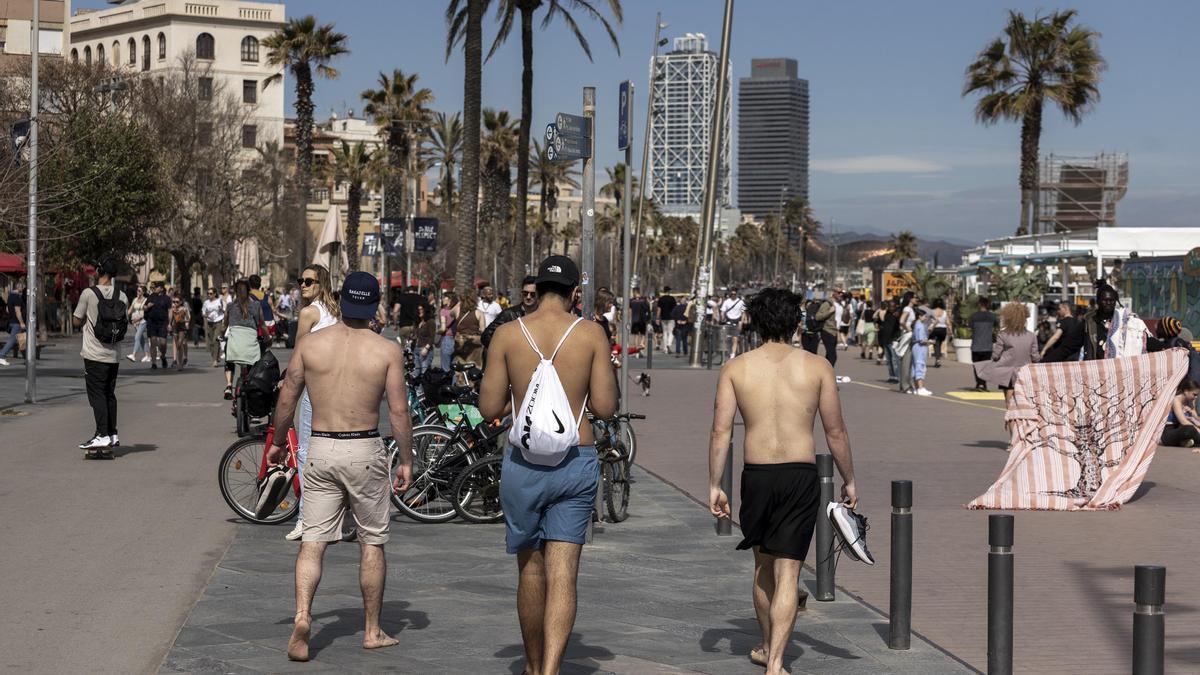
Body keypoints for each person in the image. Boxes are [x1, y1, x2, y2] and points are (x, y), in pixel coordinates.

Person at [707, 287, 857, 675]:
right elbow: (835, 431)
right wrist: (849, 478)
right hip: (799, 473)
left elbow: (721, 431)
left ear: (755, 323)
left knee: (763, 567)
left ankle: (765, 644)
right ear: (795, 323)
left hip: (756, 475)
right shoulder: (816, 367)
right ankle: (776, 662)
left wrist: (714, 484)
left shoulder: (736, 368)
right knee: (789, 571)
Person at [478, 255, 617, 675]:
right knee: (564, 574)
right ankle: (553, 669)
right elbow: (606, 408)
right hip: (577, 458)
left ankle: (533, 664)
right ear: (576, 293)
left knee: (530, 569)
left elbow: (488, 409)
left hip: (523, 466)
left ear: (534, 289)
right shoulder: (591, 334)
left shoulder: (506, 334)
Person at [266, 271, 413, 663]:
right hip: (364, 448)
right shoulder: (386, 350)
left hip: (322, 447)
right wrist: (407, 459)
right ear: (374, 305)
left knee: (312, 543)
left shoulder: (311, 346)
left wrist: (279, 443)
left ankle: (302, 616)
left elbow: (286, 399)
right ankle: (372, 630)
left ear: (342, 301)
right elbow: (399, 410)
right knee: (372, 542)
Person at [284, 264, 343, 541]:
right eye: (301, 281)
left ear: (322, 284)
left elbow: (300, 355)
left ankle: (306, 519)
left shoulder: (308, 313)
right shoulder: (336, 312)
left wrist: (287, 384)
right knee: (335, 451)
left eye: (310, 281)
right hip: (339, 387)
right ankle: (338, 519)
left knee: (306, 453)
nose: (304, 285)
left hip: (314, 388)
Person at [72, 260, 128, 454]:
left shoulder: (88, 294)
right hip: (113, 355)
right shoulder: (122, 295)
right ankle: (112, 434)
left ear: (99, 271)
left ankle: (101, 435)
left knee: (96, 395)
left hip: (94, 354)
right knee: (109, 394)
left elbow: (76, 319)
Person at [979, 303, 1040, 414]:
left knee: (1009, 402)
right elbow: (1035, 357)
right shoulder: (1031, 336)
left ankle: (1012, 424)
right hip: (1024, 373)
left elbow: (996, 355)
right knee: (1023, 400)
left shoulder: (1003, 334)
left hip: (1007, 373)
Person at [222, 280, 264, 400]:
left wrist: (220, 335)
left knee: (228, 358)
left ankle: (229, 385)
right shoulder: (256, 305)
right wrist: (268, 338)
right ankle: (251, 384)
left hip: (234, 346)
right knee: (253, 362)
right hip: (250, 345)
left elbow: (224, 326)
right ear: (249, 291)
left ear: (235, 291)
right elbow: (262, 325)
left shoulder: (230, 307)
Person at [482, 276, 539, 358]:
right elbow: (486, 336)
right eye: (525, 293)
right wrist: (503, 351)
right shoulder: (508, 314)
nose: (528, 297)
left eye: (532, 294)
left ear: (539, 295)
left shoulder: (543, 315)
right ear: (521, 293)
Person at [1082, 284, 1119, 360]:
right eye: (1105, 300)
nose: (1108, 303)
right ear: (1098, 301)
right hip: (1096, 368)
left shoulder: (1123, 321)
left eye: (1111, 300)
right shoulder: (1088, 321)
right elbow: (1070, 345)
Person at [1161, 380, 1200, 450]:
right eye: (1194, 394)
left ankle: (1184, 442)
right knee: (1190, 429)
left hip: (1180, 429)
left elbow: (1197, 419)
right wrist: (1197, 429)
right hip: (1168, 432)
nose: (1196, 397)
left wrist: (1191, 412)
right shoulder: (1176, 400)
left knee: (1191, 429)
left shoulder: (1190, 401)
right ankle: (1186, 442)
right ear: (1186, 391)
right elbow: (1183, 422)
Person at [452, 287, 485, 367]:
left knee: (459, 371)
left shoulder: (457, 311)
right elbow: (483, 331)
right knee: (474, 370)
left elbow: (451, 313)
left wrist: (460, 302)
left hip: (460, 344)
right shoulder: (479, 313)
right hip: (474, 347)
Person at [969, 297, 996, 392]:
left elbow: (970, 328)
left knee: (977, 366)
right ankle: (982, 384)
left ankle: (980, 383)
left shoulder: (974, 316)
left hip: (976, 345)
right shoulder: (992, 316)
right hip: (987, 346)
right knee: (985, 366)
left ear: (980, 304)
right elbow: (996, 328)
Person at [144, 282, 173, 370]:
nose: (154, 288)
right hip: (152, 322)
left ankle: (163, 356)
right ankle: (153, 363)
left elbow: (170, 311)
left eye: (156, 287)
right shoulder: (151, 296)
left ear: (161, 288)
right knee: (153, 342)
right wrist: (147, 306)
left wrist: (169, 323)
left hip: (163, 323)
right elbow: (144, 307)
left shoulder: (167, 298)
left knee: (163, 343)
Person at [0, 279, 27, 367]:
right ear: (19, 287)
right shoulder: (17, 297)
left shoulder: (10, 296)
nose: (23, 289)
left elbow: (8, 309)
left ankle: (27, 358)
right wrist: (22, 322)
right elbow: (17, 311)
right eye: (22, 287)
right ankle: (2, 355)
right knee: (13, 340)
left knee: (22, 340)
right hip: (17, 322)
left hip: (12, 321)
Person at [896, 292, 918, 394]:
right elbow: (901, 321)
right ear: (910, 299)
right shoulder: (907, 309)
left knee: (908, 362)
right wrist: (908, 329)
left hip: (908, 335)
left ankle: (904, 384)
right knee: (906, 361)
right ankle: (905, 386)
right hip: (907, 335)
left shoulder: (910, 309)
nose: (916, 299)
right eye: (915, 297)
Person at [126, 285, 152, 364]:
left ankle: (134, 355)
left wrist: (139, 318)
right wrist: (124, 316)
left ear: (143, 292)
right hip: (135, 322)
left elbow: (146, 312)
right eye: (137, 290)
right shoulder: (135, 299)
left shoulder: (146, 300)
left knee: (137, 337)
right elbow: (130, 309)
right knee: (141, 340)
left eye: (139, 291)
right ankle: (148, 355)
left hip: (142, 321)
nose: (138, 292)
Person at [201, 287, 225, 367]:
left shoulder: (219, 301)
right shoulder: (206, 302)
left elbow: (224, 310)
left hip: (218, 321)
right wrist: (205, 315)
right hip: (209, 323)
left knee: (216, 340)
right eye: (208, 293)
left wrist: (221, 308)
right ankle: (217, 356)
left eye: (211, 293)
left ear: (215, 294)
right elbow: (203, 312)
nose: (209, 295)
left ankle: (214, 360)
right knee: (211, 342)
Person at [911, 307, 932, 396]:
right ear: (919, 316)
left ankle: (916, 387)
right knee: (920, 366)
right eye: (924, 316)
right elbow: (921, 340)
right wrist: (930, 342)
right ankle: (920, 387)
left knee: (915, 367)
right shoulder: (919, 325)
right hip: (920, 348)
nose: (926, 318)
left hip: (917, 347)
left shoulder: (917, 324)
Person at [720, 288, 747, 358]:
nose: (733, 295)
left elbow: (743, 312)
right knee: (727, 338)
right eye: (731, 294)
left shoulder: (741, 302)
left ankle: (733, 353)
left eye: (734, 294)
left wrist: (741, 322)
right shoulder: (726, 301)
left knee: (735, 338)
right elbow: (722, 311)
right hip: (728, 321)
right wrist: (722, 317)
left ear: (737, 294)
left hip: (737, 321)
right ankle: (728, 351)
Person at [413, 303, 437, 377]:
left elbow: (432, 337)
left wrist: (426, 348)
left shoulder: (430, 322)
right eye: (418, 309)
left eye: (421, 309)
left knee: (424, 371)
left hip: (425, 349)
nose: (419, 311)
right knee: (416, 371)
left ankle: (422, 388)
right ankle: (416, 388)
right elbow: (415, 335)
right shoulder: (418, 322)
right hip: (416, 348)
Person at [169, 291, 191, 369]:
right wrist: (169, 325)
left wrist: (187, 323)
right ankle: (179, 363)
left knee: (180, 343)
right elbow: (171, 318)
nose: (175, 303)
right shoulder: (173, 309)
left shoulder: (184, 309)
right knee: (177, 345)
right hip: (175, 327)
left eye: (177, 302)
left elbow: (188, 317)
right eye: (174, 301)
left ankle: (181, 362)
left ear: (181, 302)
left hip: (182, 327)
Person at [438, 291, 457, 371]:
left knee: (445, 368)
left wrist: (438, 332)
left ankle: (447, 383)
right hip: (457, 339)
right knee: (454, 367)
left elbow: (443, 328)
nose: (442, 299)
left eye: (444, 297)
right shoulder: (457, 310)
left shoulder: (443, 311)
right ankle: (454, 383)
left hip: (447, 339)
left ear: (449, 299)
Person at [628, 288, 651, 356]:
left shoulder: (631, 301)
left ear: (635, 292)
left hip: (635, 320)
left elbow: (629, 310)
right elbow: (648, 309)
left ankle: (637, 350)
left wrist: (629, 319)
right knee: (643, 335)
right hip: (642, 320)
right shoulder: (644, 300)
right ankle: (641, 348)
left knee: (636, 335)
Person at [929, 298, 949, 367]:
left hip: (935, 329)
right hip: (943, 330)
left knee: (936, 344)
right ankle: (938, 359)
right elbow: (948, 322)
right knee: (939, 344)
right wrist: (950, 331)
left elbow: (931, 321)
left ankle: (937, 359)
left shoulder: (932, 311)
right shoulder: (944, 312)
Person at [657, 287, 677, 354]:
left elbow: (659, 309)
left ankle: (665, 349)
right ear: (669, 291)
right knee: (671, 332)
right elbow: (675, 309)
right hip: (671, 318)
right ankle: (668, 344)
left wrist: (657, 318)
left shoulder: (661, 299)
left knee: (665, 333)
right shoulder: (672, 299)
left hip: (663, 318)